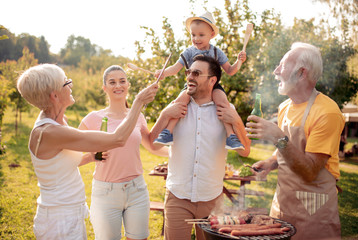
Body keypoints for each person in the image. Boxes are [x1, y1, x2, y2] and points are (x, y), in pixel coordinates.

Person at [16, 64, 158, 240]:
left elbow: (63, 159)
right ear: (54, 96)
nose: (71, 85)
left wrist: (91, 156)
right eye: (66, 82)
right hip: (60, 220)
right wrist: (138, 102)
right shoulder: (52, 132)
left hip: (69, 213)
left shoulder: (57, 122)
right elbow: (118, 139)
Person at [246, 42, 345, 240]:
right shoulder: (285, 107)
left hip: (314, 214)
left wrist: (277, 137)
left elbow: (310, 171)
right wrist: (270, 163)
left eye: (282, 65)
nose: (275, 71)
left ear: (301, 73)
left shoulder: (327, 112)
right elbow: (287, 149)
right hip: (282, 207)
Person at [150, 55, 251, 240]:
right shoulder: (175, 108)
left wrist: (236, 120)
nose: (189, 77)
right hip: (177, 197)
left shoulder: (227, 110)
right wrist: (164, 114)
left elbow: (245, 151)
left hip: (211, 200)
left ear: (212, 80)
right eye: (188, 72)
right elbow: (152, 145)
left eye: (196, 73)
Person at [78, 65, 168, 240]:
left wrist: (176, 153)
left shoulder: (137, 116)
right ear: (105, 88)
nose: (118, 85)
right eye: (112, 82)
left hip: (137, 189)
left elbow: (151, 146)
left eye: (122, 81)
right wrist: (90, 156)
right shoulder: (92, 118)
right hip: (106, 193)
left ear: (128, 85)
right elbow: (70, 155)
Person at [153, 11, 247, 150]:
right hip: (192, 85)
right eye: (193, 35)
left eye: (201, 35)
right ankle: (168, 132)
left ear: (212, 35)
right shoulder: (189, 52)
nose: (196, 38)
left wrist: (239, 61)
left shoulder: (216, 52)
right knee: (179, 102)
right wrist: (163, 73)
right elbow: (175, 68)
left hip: (213, 85)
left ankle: (231, 136)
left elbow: (230, 71)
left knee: (223, 103)